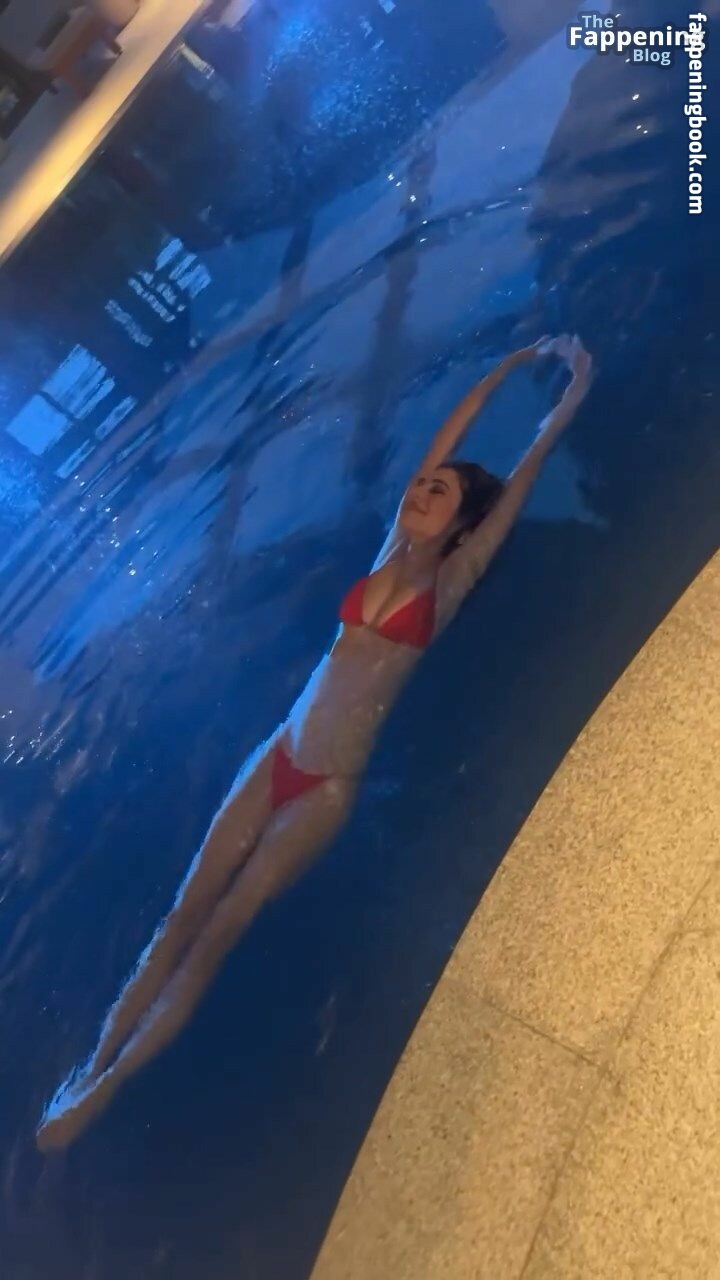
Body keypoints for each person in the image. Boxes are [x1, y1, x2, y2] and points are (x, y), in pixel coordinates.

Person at [36, 333, 593, 1151]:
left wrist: (572, 387)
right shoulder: (388, 549)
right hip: (277, 755)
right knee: (181, 915)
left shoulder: (451, 580)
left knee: (216, 934)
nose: (420, 491)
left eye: (438, 491)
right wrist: (506, 367)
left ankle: (105, 1093)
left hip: (325, 789)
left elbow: (528, 468)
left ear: (463, 522)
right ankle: (92, 1060)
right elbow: (446, 434)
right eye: (421, 484)